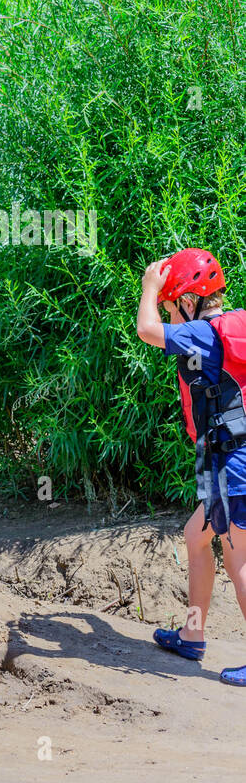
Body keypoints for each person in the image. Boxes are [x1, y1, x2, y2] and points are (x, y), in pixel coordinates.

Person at [136, 249, 246, 686]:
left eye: (170, 305)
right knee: (195, 538)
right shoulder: (234, 323)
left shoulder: (203, 332)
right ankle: (192, 634)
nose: (168, 313)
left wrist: (149, 287)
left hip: (235, 465)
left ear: (188, 300)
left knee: (240, 558)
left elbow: (146, 330)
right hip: (223, 462)